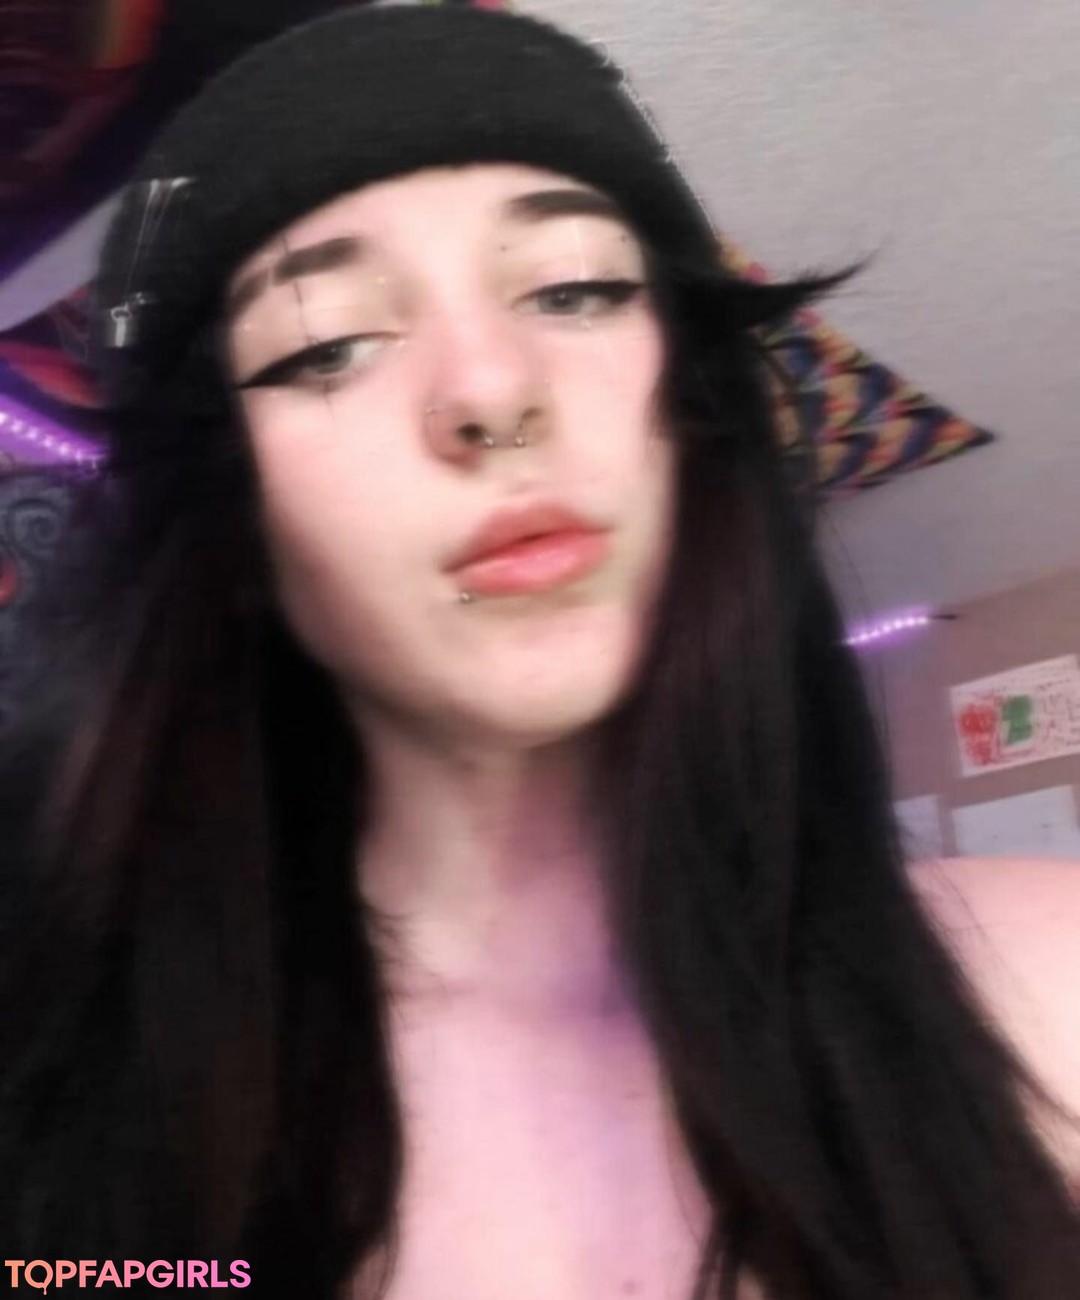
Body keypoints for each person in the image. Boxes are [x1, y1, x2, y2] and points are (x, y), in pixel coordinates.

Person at [1, 6, 1079, 1298]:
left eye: (577, 290)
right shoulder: (67, 1113)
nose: (492, 392)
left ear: (690, 418)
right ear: (229, 530)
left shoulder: (1049, 986)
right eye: (325, 343)